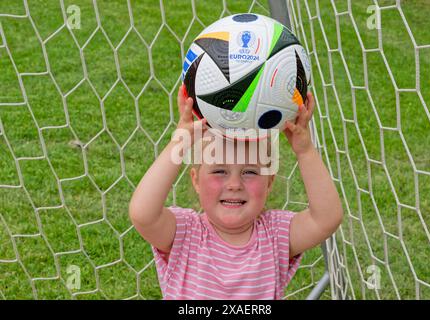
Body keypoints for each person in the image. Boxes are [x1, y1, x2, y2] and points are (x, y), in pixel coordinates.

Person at [129, 85, 343, 300]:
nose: (234, 184)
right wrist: (180, 142)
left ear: (269, 182)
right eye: (219, 170)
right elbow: (143, 213)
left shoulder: (275, 235)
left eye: (249, 172)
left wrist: (305, 151)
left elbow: (326, 219)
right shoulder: (185, 234)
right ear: (196, 180)